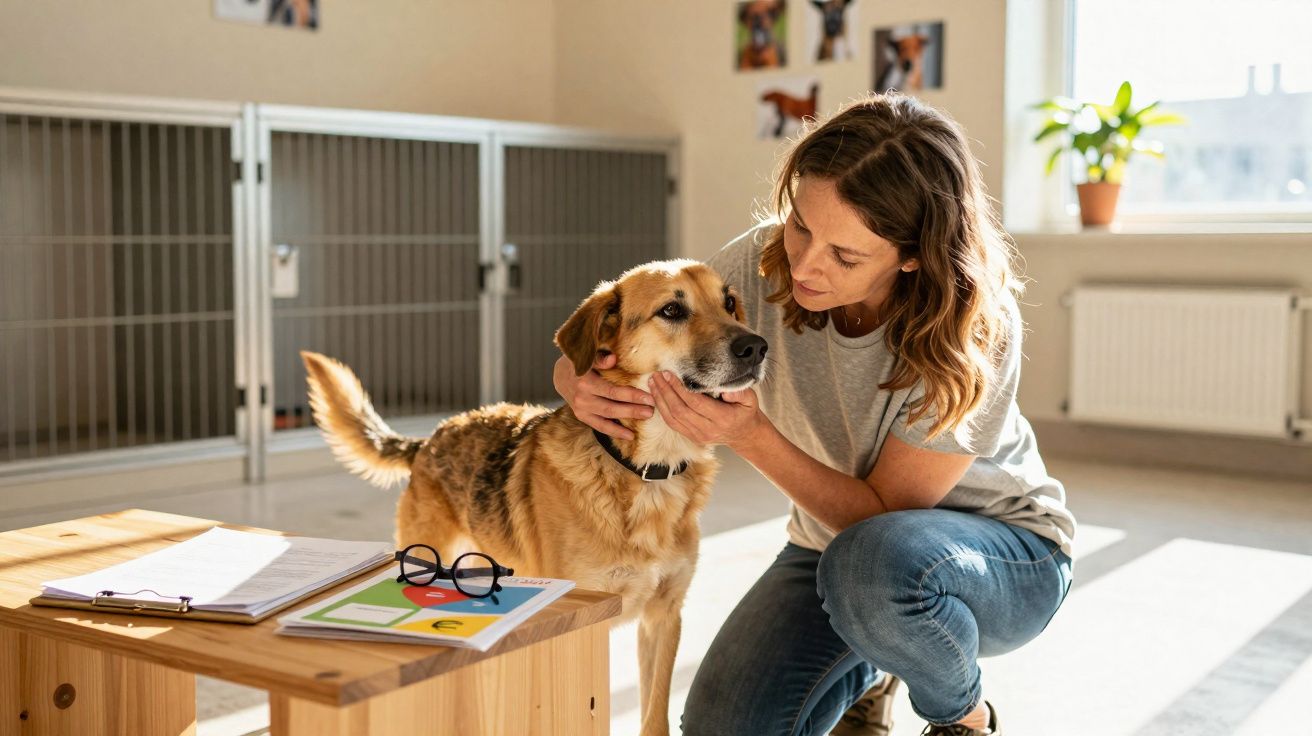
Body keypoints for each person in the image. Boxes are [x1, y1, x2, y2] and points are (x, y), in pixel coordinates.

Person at [553, 93, 1075, 736]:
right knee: (722, 727)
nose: (804, 264)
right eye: (801, 224)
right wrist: (577, 381)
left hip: (1001, 558)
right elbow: (618, 335)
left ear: (912, 255)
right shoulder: (759, 262)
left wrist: (751, 436)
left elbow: (885, 518)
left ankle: (962, 715)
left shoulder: (974, 326)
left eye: (846, 256)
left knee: (877, 566)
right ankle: (877, 654)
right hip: (832, 553)